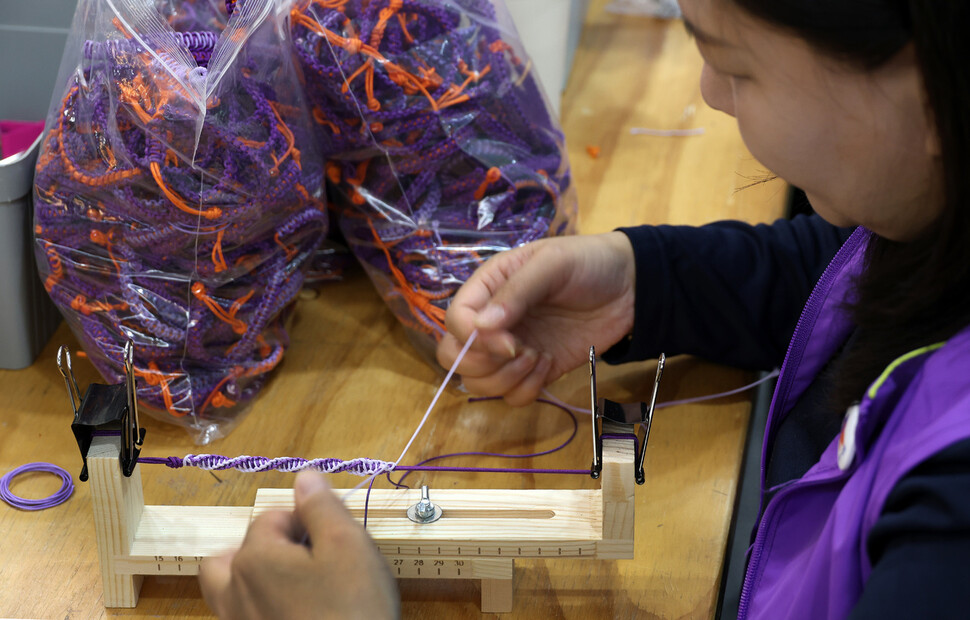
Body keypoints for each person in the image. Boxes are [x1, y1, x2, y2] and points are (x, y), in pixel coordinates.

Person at [198, 0, 970, 618]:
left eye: (735, 66)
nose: (709, 91)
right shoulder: (933, 217)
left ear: (934, 88)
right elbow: (844, 267)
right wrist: (643, 279)